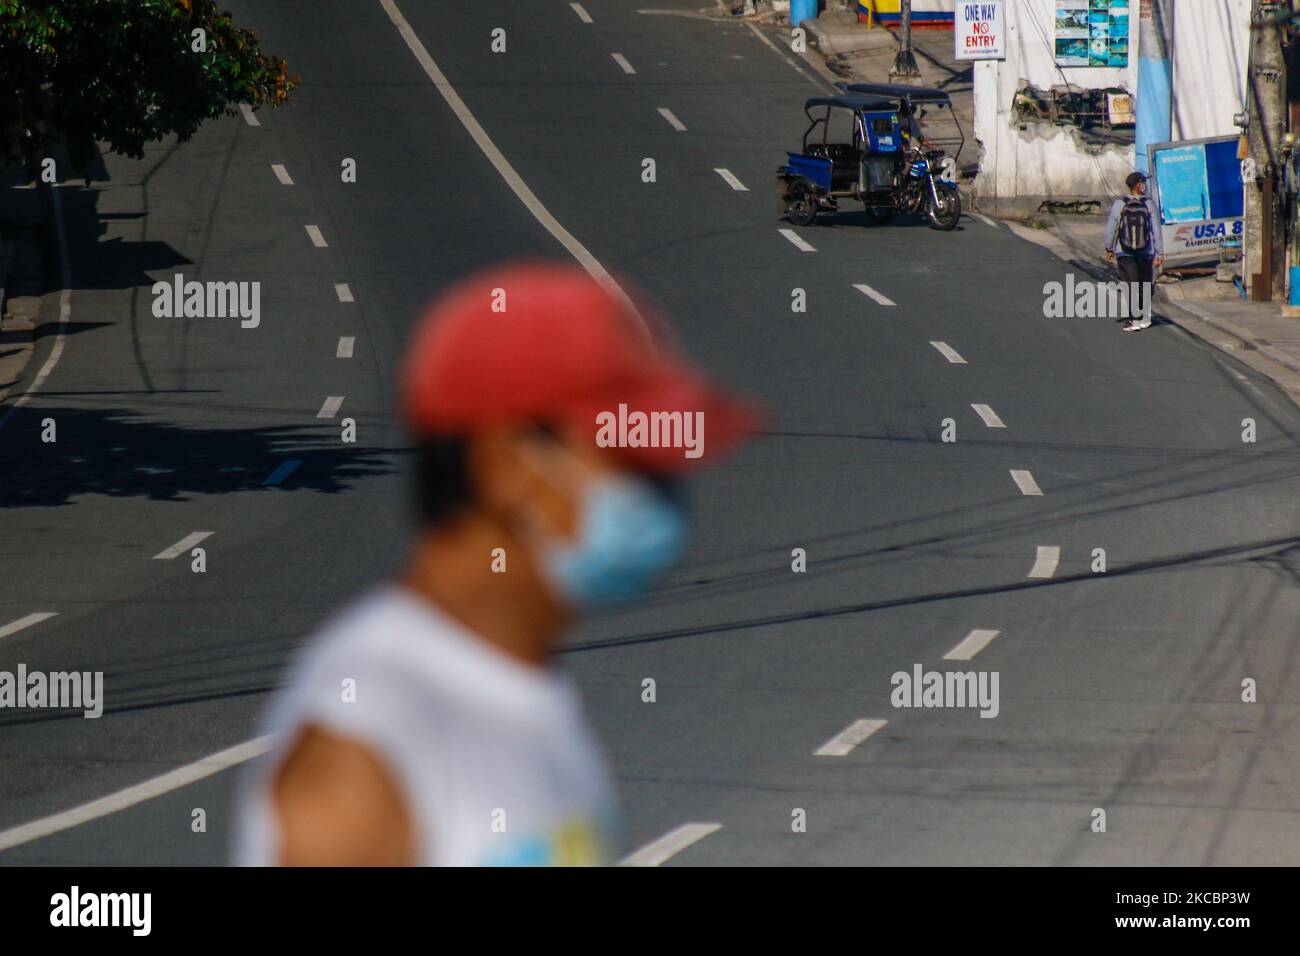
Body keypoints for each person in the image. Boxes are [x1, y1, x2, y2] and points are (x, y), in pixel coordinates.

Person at [234, 262, 757, 866]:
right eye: (631, 461)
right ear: (507, 468)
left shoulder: (526, 695)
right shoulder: (366, 740)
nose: (667, 498)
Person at [1105, 170, 1165, 332]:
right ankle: (1144, 317)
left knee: (1130, 284)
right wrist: (1159, 253)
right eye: (1143, 183)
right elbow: (1156, 231)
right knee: (1145, 283)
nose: (1145, 185)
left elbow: (1111, 228)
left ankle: (1134, 320)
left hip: (1124, 252)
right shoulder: (1149, 204)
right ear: (1139, 186)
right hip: (1146, 252)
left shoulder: (1120, 204)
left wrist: (1109, 248)